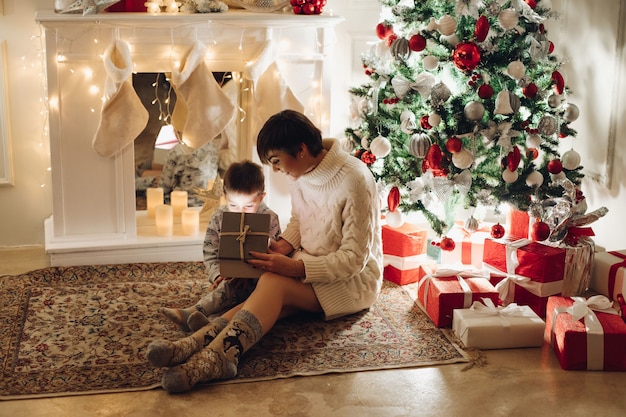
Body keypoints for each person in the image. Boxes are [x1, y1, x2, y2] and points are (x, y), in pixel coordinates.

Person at [146, 110, 383, 393]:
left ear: (301, 149)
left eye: (275, 161)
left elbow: (355, 260)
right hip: (312, 263)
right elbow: (299, 221)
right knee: (265, 296)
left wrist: (294, 268)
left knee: (272, 283)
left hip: (351, 282)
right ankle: (198, 343)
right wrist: (283, 246)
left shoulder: (355, 179)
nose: (275, 170)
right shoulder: (301, 172)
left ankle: (217, 357)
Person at [159, 159, 281, 332]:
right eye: (233, 205)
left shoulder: (270, 218)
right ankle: (197, 314)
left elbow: (277, 256)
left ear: (261, 198)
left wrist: (253, 270)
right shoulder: (218, 217)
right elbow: (210, 252)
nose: (240, 211)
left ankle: (207, 320)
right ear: (224, 195)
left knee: (247, 304)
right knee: (225, 291)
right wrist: (218, 275)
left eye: (248, 206)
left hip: (262, 281)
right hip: (230, 280)